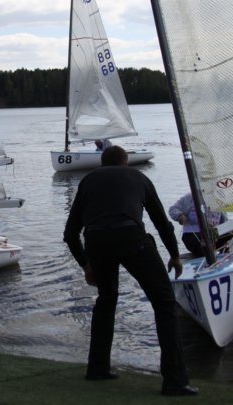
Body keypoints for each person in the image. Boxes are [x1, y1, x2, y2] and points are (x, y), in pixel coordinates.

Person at [63, 145, 198, 397]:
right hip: (131, 238)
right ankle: (174, 381)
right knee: (164, 303)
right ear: (126, 162)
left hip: (96, 241)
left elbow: (70, 234)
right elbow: (161, 221)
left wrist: (86, 265)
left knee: (106, 300)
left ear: (102, 163)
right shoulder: (139, 177)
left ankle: (97, 368)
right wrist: (174, 255)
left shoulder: (88, 181)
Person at [168, 192, 230, 258]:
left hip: (212, 234)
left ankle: (222, 249)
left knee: (232, 232)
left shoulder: (218, 197)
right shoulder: (190, 197)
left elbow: (223, 221)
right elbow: (173, 209)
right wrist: (180, 216)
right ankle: (206, 252)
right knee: (203, 245)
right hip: (193, 235)